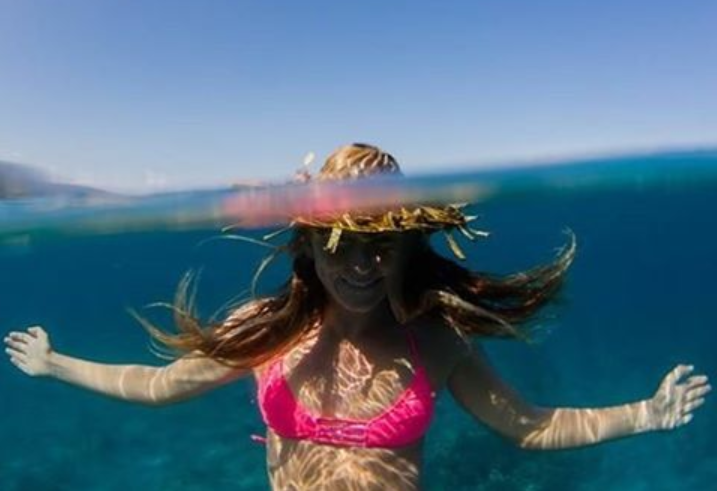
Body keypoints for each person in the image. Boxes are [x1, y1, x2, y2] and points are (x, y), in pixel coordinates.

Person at [4, 143, 711, 490]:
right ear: (308, 245)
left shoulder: (435, 339)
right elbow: (161, 387)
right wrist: (54, 363)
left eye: (381, 247)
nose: (360, 267)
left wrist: (644, 414)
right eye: (341, 245)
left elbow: (526, 426)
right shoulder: (268, 331)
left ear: (407, 249)